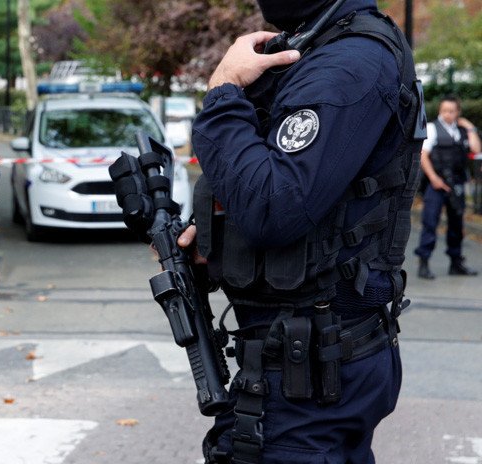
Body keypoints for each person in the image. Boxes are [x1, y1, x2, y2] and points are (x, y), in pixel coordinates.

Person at [174, 0, 425, 462]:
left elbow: (274, 205)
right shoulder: (323, 46)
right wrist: (218, 238)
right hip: (307, 360)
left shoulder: (347, 63)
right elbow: (312, 196)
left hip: (307, 375)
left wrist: (224, 92)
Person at [414, 96, 481, 279]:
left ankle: (456, 263)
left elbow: (476, 149)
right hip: (436, 183)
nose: (447, 114)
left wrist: (470, 127)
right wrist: (434, 178)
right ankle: (424, 262)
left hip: (456, 184)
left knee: (456, 224)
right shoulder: (432, 128)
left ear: (458, 112)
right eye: (444, 110)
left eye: (451, 111)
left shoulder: (462, 131)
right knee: (430, 222)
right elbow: (423, 155)